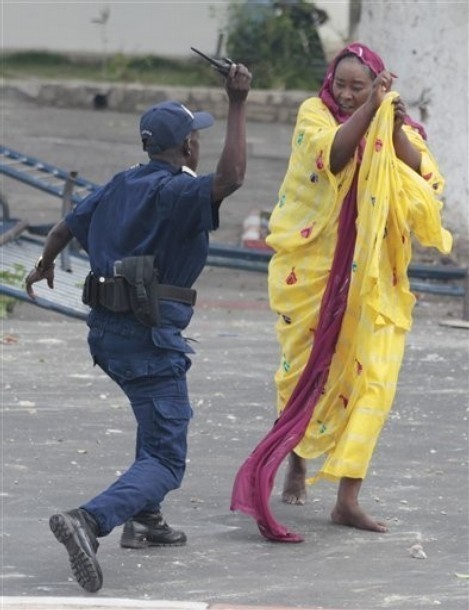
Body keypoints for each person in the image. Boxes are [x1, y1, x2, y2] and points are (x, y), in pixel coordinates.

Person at [25, 62, 252, 590]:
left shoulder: (121, 183)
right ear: (188, 148)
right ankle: (90, 520)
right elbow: (234, 178)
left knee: (153, 423)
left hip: (106, 333)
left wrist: (43, 264)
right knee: (168, 458)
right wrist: (238, 102)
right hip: (148, 339)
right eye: (196, 136)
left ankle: (145, 521)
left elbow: (63, 226)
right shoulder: (177, 193)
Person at [231, 43, 452, 542]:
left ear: (374, 83)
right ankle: (297, 460)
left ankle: (347, 500)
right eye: (342, 86)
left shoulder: (390, 117)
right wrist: (370, 109)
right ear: (328, 83)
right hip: (312, 270)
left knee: (373, 381)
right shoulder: (314, 113)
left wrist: (392, 125)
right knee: (305, 374)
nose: (348, 95)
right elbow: (331, 153)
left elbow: (424, 178)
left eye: (359, 87)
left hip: (374, 279)